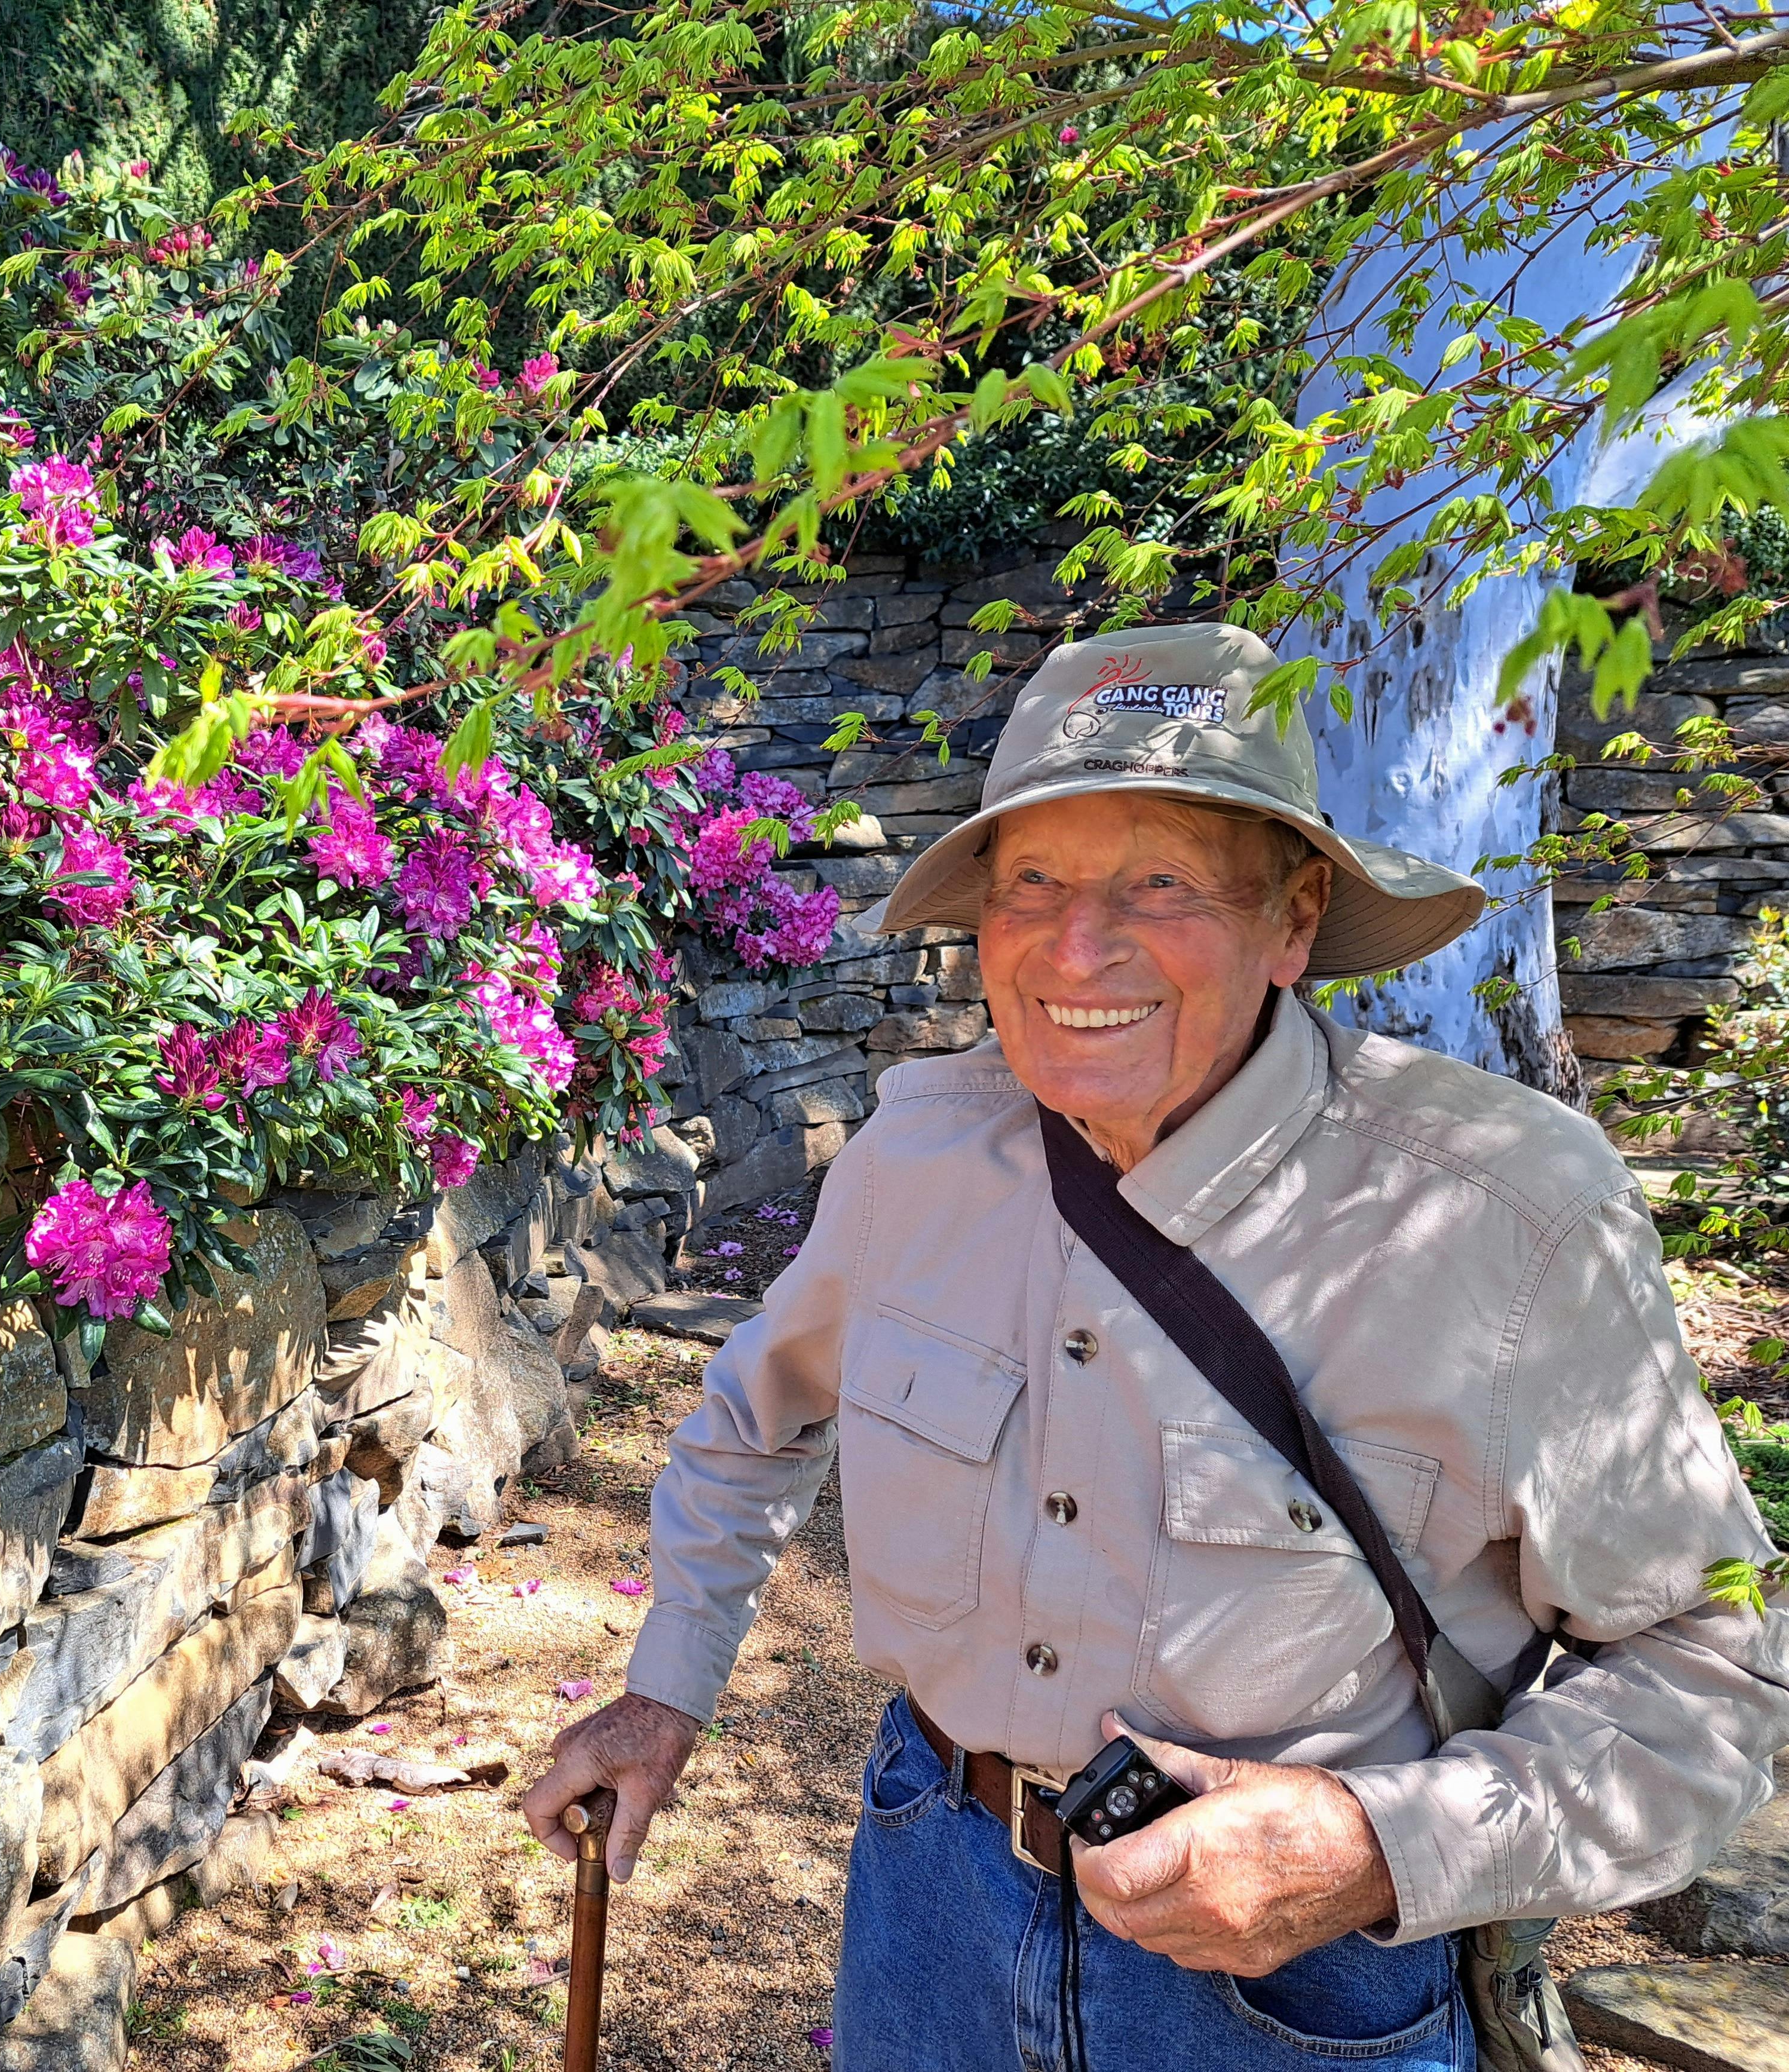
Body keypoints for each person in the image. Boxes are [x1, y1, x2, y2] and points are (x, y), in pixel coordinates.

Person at [521, 624, 1789, 2071]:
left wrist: (1377, 1847)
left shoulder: (1505, 1217)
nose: (1077, 948)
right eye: (1034, 883)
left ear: (1293, 919)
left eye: (1159, 885)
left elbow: (1710, 1662)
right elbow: (754, 1421)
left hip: (1308, 1990)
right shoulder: (915, 1153)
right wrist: (663, 1687)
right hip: (928, 1892)